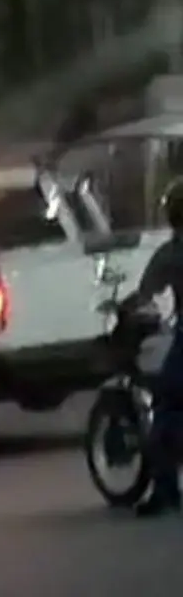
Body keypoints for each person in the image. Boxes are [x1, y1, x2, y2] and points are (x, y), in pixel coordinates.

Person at [121, 177, 183, 517]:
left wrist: (123, 308)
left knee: (166, 404)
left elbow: (145, 294)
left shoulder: (171, 252)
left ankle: (165, 491)